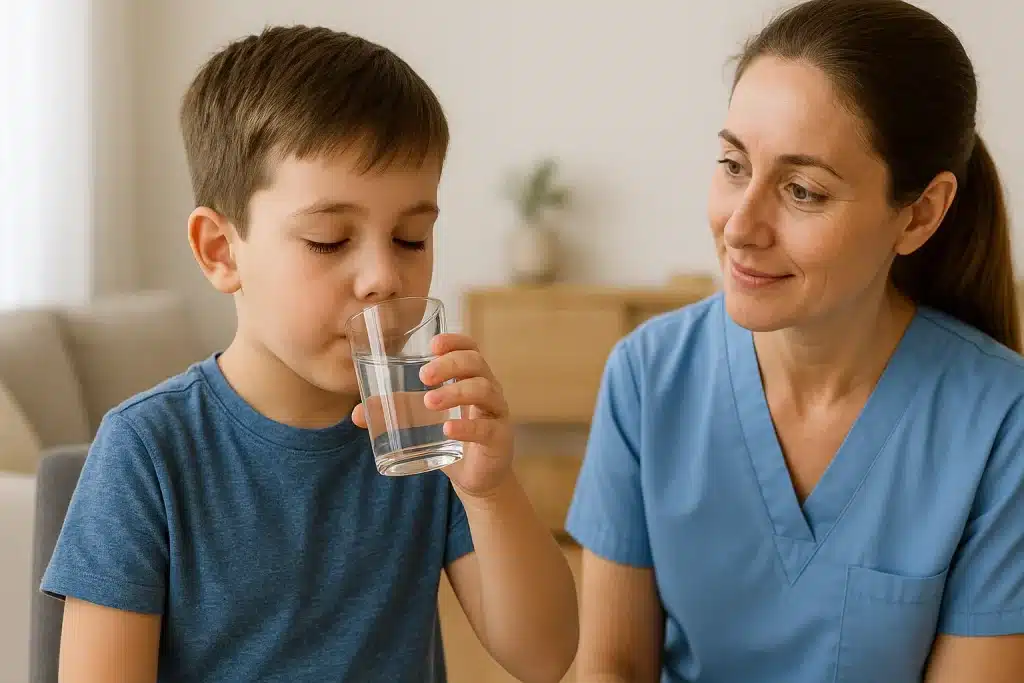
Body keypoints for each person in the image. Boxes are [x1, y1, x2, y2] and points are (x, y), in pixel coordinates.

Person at [40, 26, 578, 683]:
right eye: (328, 239)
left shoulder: (419, 430)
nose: (383, 276)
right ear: (220, 250)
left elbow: (546, 656)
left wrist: (492, 493)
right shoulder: (149, 451)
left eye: (410, 238)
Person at [566, 1, 1024, 681]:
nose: (740, 226)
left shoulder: (999, 420)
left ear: (920, 213)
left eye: (803, 190)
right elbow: (611, 665)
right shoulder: (648, 375)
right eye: (732, 164)